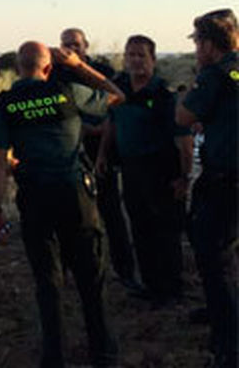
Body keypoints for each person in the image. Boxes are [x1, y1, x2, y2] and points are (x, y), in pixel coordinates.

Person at [0, 41, 125, 367]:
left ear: (18, 68)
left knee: (47, 282)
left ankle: (54, 358)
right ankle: (103, 356)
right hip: (75, 195)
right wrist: (79, 66)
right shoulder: (66, 92)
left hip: (35, 198)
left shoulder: (5, 104)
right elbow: (116, 94)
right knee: (91, 278)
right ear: (48, 68)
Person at [96, 35, 190, 307]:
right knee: (140, 227)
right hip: (131, 168)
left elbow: (184, 140)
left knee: (165, 231)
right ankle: (150, 285)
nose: (135, 60)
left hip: (162, 170)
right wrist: (102, 154)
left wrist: (184, 177)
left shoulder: (163, 94)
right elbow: (111, 124)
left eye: (141, 55)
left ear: (153, 60)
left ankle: (171, 290)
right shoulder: (119, 88)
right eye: (130, 55)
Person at [176, 8, 238, 368]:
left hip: (225, 177)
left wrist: (197, 98)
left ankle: (228, 341)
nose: (196, 47)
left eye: (197, 41)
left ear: (209, 44)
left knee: (216, 257)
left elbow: (183, 117)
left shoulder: (215, 75)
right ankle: (219, 311)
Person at [59, 27, 138, 290]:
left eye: (76, 45)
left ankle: (125, 271)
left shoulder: (101, 71)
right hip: (70, 152)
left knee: (112, 213)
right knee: (73, 216)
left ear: (86, 46)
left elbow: (116, 107)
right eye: (66, 45)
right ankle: (73, 270)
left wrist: (97, 133)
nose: (71, 49)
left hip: (101, 148)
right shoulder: (57, 74)